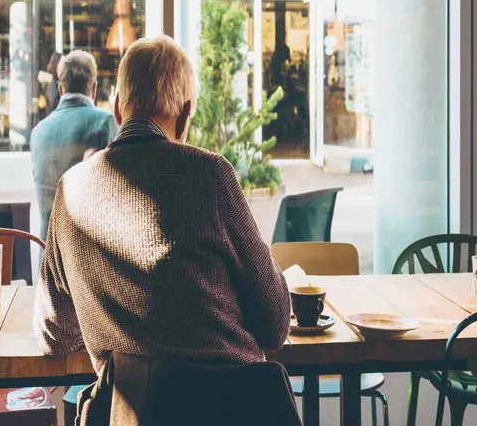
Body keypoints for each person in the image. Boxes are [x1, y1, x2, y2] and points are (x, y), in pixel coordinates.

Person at [34, 34, 290, 377]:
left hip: (130, 412)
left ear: (118, 108)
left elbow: (54, 334)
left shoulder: (71, 190)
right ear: (185, 116)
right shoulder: (211, 175)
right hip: (230, 406)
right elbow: (275, 324)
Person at [30, 50, 117, 242]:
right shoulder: (105, 123)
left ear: (61, 89)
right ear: (94, 88)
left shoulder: (37, 132)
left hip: (47, 255)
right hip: (85, 255)